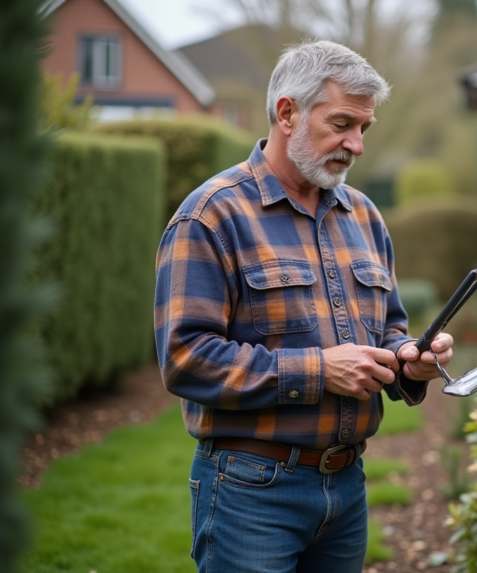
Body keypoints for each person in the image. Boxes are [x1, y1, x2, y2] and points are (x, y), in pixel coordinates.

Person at [154, 40, 454, 573]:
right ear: (287, 112)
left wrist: (410, 357)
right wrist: (319, 371)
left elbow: (387, 327)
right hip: (252, 491)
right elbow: (185, 357)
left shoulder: (363, 215)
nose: (356, 145)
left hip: (347, 488)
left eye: (364, 128)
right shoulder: (210, 216)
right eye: (342, 123)